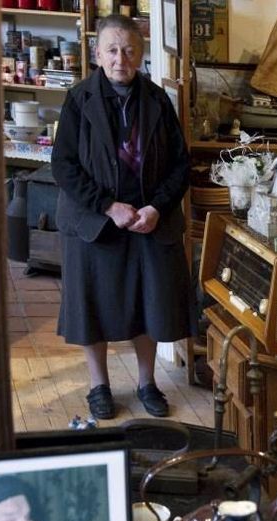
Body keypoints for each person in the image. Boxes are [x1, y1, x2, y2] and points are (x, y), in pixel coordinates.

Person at [52, 14, 192, 420]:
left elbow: (180, 166)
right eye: (112, 50)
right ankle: (99, 387)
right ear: (97, 54)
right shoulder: (79, 100)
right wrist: (108, 206)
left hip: (149, 220)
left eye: (129, 50)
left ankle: (147, 382)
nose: (120, 59)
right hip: (95, 221)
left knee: (150, 304)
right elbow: (64, 165)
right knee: (93, 306)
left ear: (141, 53)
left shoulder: (157, 100)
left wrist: (157, 207)